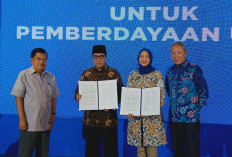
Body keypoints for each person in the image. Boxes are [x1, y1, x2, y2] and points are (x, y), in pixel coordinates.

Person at [75, 45, 123, 157]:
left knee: (111, 152)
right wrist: (77, 97)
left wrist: (112, 103)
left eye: (101, 56)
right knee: (91, 152)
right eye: (95, 57)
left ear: (106, 57)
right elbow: (78, 92)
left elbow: (121, 95)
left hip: (109, 120)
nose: (98, 59)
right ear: (92, 58)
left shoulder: (114, 73)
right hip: (90, 120)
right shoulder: (86, 74)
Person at [11, 48, 60, 157]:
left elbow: (54, 97)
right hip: (29, 124)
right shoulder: (24, 75)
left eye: (44, 59)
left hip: (45, 123)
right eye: (38, 59)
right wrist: (22, 119)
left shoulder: (51, 77)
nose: (42, 62)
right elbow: (18, 97)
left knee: (43, 154)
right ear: (31, 60)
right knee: (25, 153)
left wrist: (53, 115)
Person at [165, 42, 209, 157]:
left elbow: (203, 91)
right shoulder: (170, 72)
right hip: (174, 118)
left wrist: (194, 108)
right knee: (177, 151)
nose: (176, 56)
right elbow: (169, 91)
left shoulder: (194, 69)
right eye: (173, 53)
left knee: (192, 151)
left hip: (190, 119)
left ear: (185, 53)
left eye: (179, 52)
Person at [126, 49, 167, 157]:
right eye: (141, 56)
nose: (144, 59)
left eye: (147, 56)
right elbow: (128, 96)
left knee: (152, 149)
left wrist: (148, 111)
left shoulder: (156, 74)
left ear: (151, 58)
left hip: (152, 120)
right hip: (136, 119)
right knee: (140, 150)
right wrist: (128, 110)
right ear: (138, 58)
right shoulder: (133, 75)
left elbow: (161, 97)